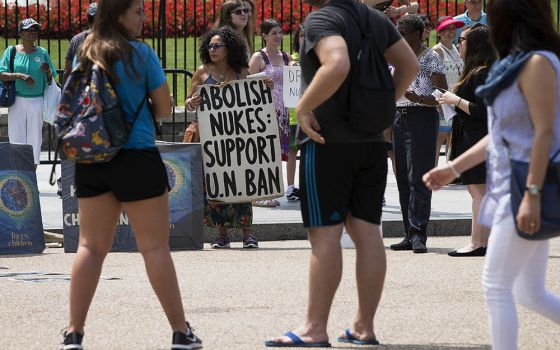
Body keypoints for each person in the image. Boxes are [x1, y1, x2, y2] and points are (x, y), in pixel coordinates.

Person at [265, 0, 418, 346]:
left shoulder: (322, 19)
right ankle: (364, 327)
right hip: (371, 141)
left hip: (328, 141)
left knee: (325, 237)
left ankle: (313, 329)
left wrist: (303, 106)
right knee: (368, 234)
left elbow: (337, 62)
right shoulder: (375, 18)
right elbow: (408, 64)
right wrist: (383, 104)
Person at [58, 1, 202, 349]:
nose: (143, 17)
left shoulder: (86, 50)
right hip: (136, 155)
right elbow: (166, 108)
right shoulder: (141, 53)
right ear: (119, 15)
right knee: (154, 247)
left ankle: (74, 332)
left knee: (90, 247)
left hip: (93, 157)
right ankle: (180, 332)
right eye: (137, 11)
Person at [424, 0, 560, 348]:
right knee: (529, 293)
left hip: (524, 186)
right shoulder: (517, 64)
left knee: (496, 284)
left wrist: (531, 194)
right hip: (512, 185)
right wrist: (453, 167)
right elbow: (500, 132)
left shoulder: (537, 63)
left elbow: (545, 133)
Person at [184, 27, 260, 249]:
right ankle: (222, 234)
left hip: (236, 137)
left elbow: (252, 99)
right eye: (210, 46)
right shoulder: (201, 72)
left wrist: (263, 86)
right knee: (216, 185)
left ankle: (248, 233)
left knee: (241, 183)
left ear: (230, 49)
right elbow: (188, 101)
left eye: (217, 46)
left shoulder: (241, 71)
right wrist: (192, 102)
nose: (212, 49)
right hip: (210, 138)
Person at [389, 14, 447, 254]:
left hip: (421, 117)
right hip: (398, 116)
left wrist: (421, 99)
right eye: (397, 32)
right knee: (402, 176)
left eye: (403, 33)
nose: (398, 36)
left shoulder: (431, 57)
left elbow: (443, 92)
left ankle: (418, 233)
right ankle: (407, 232)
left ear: (418, 33)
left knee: (418, 177)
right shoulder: (395, 56)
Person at [436, 23, 495, 257]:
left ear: (475, 45)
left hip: (477, 137)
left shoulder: (481, 72)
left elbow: (483, 110)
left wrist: (454, 100)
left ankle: (477, 243)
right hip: (471, 135)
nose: (459, 43)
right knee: (479, 191)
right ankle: (483, 241)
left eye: (463, 39)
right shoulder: (477, 70)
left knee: (478, 191)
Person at [0, 18, 57, 166]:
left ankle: (31, 177)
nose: (33, 32)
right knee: (16, 138)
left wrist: (48, 72)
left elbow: (52, 77)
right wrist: (20, 76)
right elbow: (1, 73)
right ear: (21, 33)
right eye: (29, 30)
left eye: (35, 29)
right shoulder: (11, 51)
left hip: (37, 101)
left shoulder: (42, 52)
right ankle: (18, 176)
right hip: (17, 100)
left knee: (35, 139)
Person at [249, 19, 293, 207]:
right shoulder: (259, 57)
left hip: (283, 112)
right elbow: (246, 81)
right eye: (273, 33)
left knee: (276, 154)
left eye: (279, 32)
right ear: (264, 36)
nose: (278, 36)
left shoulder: (286, 57)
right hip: (264, 110)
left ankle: (269, 191)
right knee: (263, 152)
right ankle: (260, 193)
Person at [432, 16, 464, 165]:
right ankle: (431, 170)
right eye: (447, 29)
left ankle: (449, 170)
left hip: (454, 99)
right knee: (440, 137)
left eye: (453, 28)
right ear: (439, 32)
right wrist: (439, 103)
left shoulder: (456, 50)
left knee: (451, 136)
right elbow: (432, 78)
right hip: (443, 100)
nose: (451, 32)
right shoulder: (437, 51)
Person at [284, 24, 304, 202]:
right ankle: (290, 187)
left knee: (309, 153)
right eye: (302, 36)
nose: (305, 39)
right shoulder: (294, 60)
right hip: (294, 117)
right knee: (292, 151)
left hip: (313, 116)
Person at [63, 2, 97, 84]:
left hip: (80, 89)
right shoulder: (110, 42)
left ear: (88, 20)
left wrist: (64, 91)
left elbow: (67, 71)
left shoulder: (76, 40)